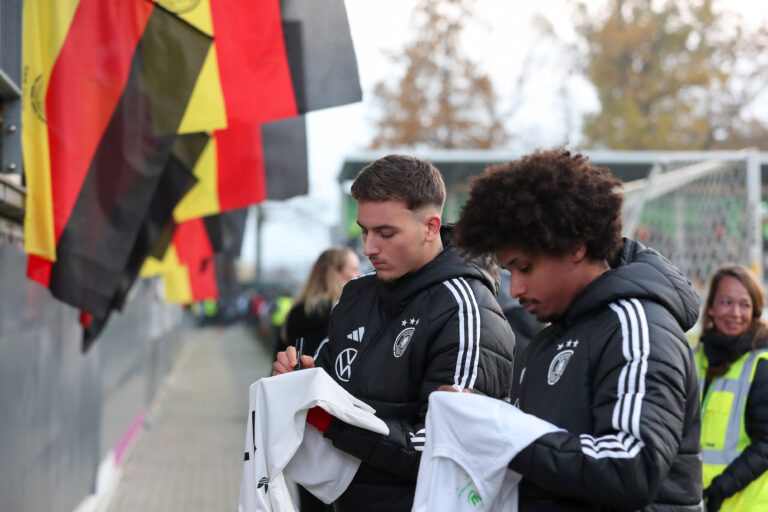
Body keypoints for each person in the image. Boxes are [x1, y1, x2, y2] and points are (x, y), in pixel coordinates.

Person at [452, 149, 702, 511]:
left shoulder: (636, 327)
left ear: (575, 247)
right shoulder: (552, 337)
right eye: (509, 272)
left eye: (525, 267)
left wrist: (501, 432)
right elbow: (553, 442)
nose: (515, 288)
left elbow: (630, 467)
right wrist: (483, 412)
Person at [273, 154, 516, 511]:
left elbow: (447, 448)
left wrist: (333, 423)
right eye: (364, 231)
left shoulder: (465, 309)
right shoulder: (356, 294)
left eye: (386, 233)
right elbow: (325, 382)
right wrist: (299, 380)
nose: (369, 248)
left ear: (430, 227)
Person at [283, 246, 360, 512]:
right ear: (337, 274)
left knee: (309, 496)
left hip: (300, 418)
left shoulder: (296, 312)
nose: (360, 274)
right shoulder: (344, 315)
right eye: (354, 269)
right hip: (334, 418)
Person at [696, 264, 768, 512]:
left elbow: (765, 444)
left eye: (745, 305)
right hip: (695, 500)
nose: (735, 313)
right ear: (711, 308)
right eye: (726, 302)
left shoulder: (762, 364)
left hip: (743, 504)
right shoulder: (696, 359)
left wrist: (720, 488)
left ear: (755, 310)